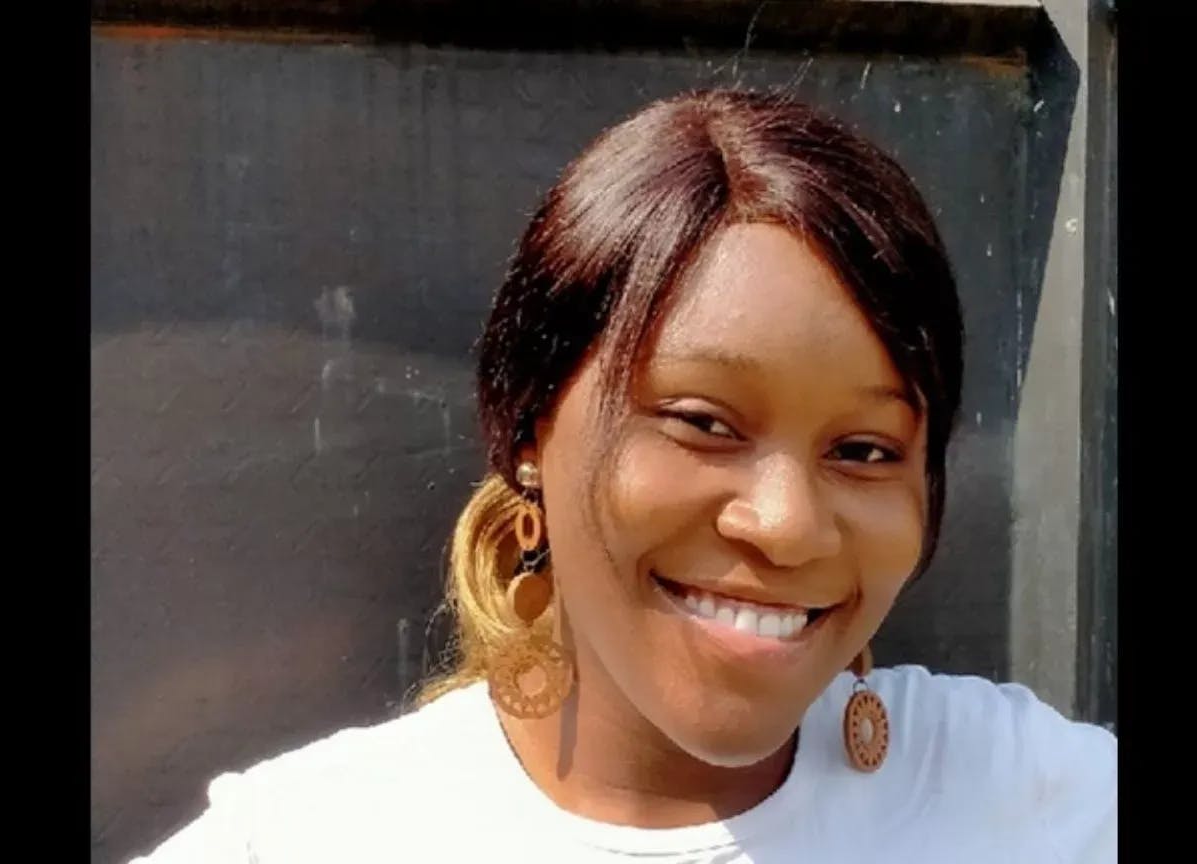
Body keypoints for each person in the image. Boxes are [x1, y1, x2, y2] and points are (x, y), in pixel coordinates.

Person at [132, 88, 1116, 863]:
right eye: (703, 423)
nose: (787, 523)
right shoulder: (308, 840)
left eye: (864, 450)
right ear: (528, 428)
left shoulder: (1040, 806)